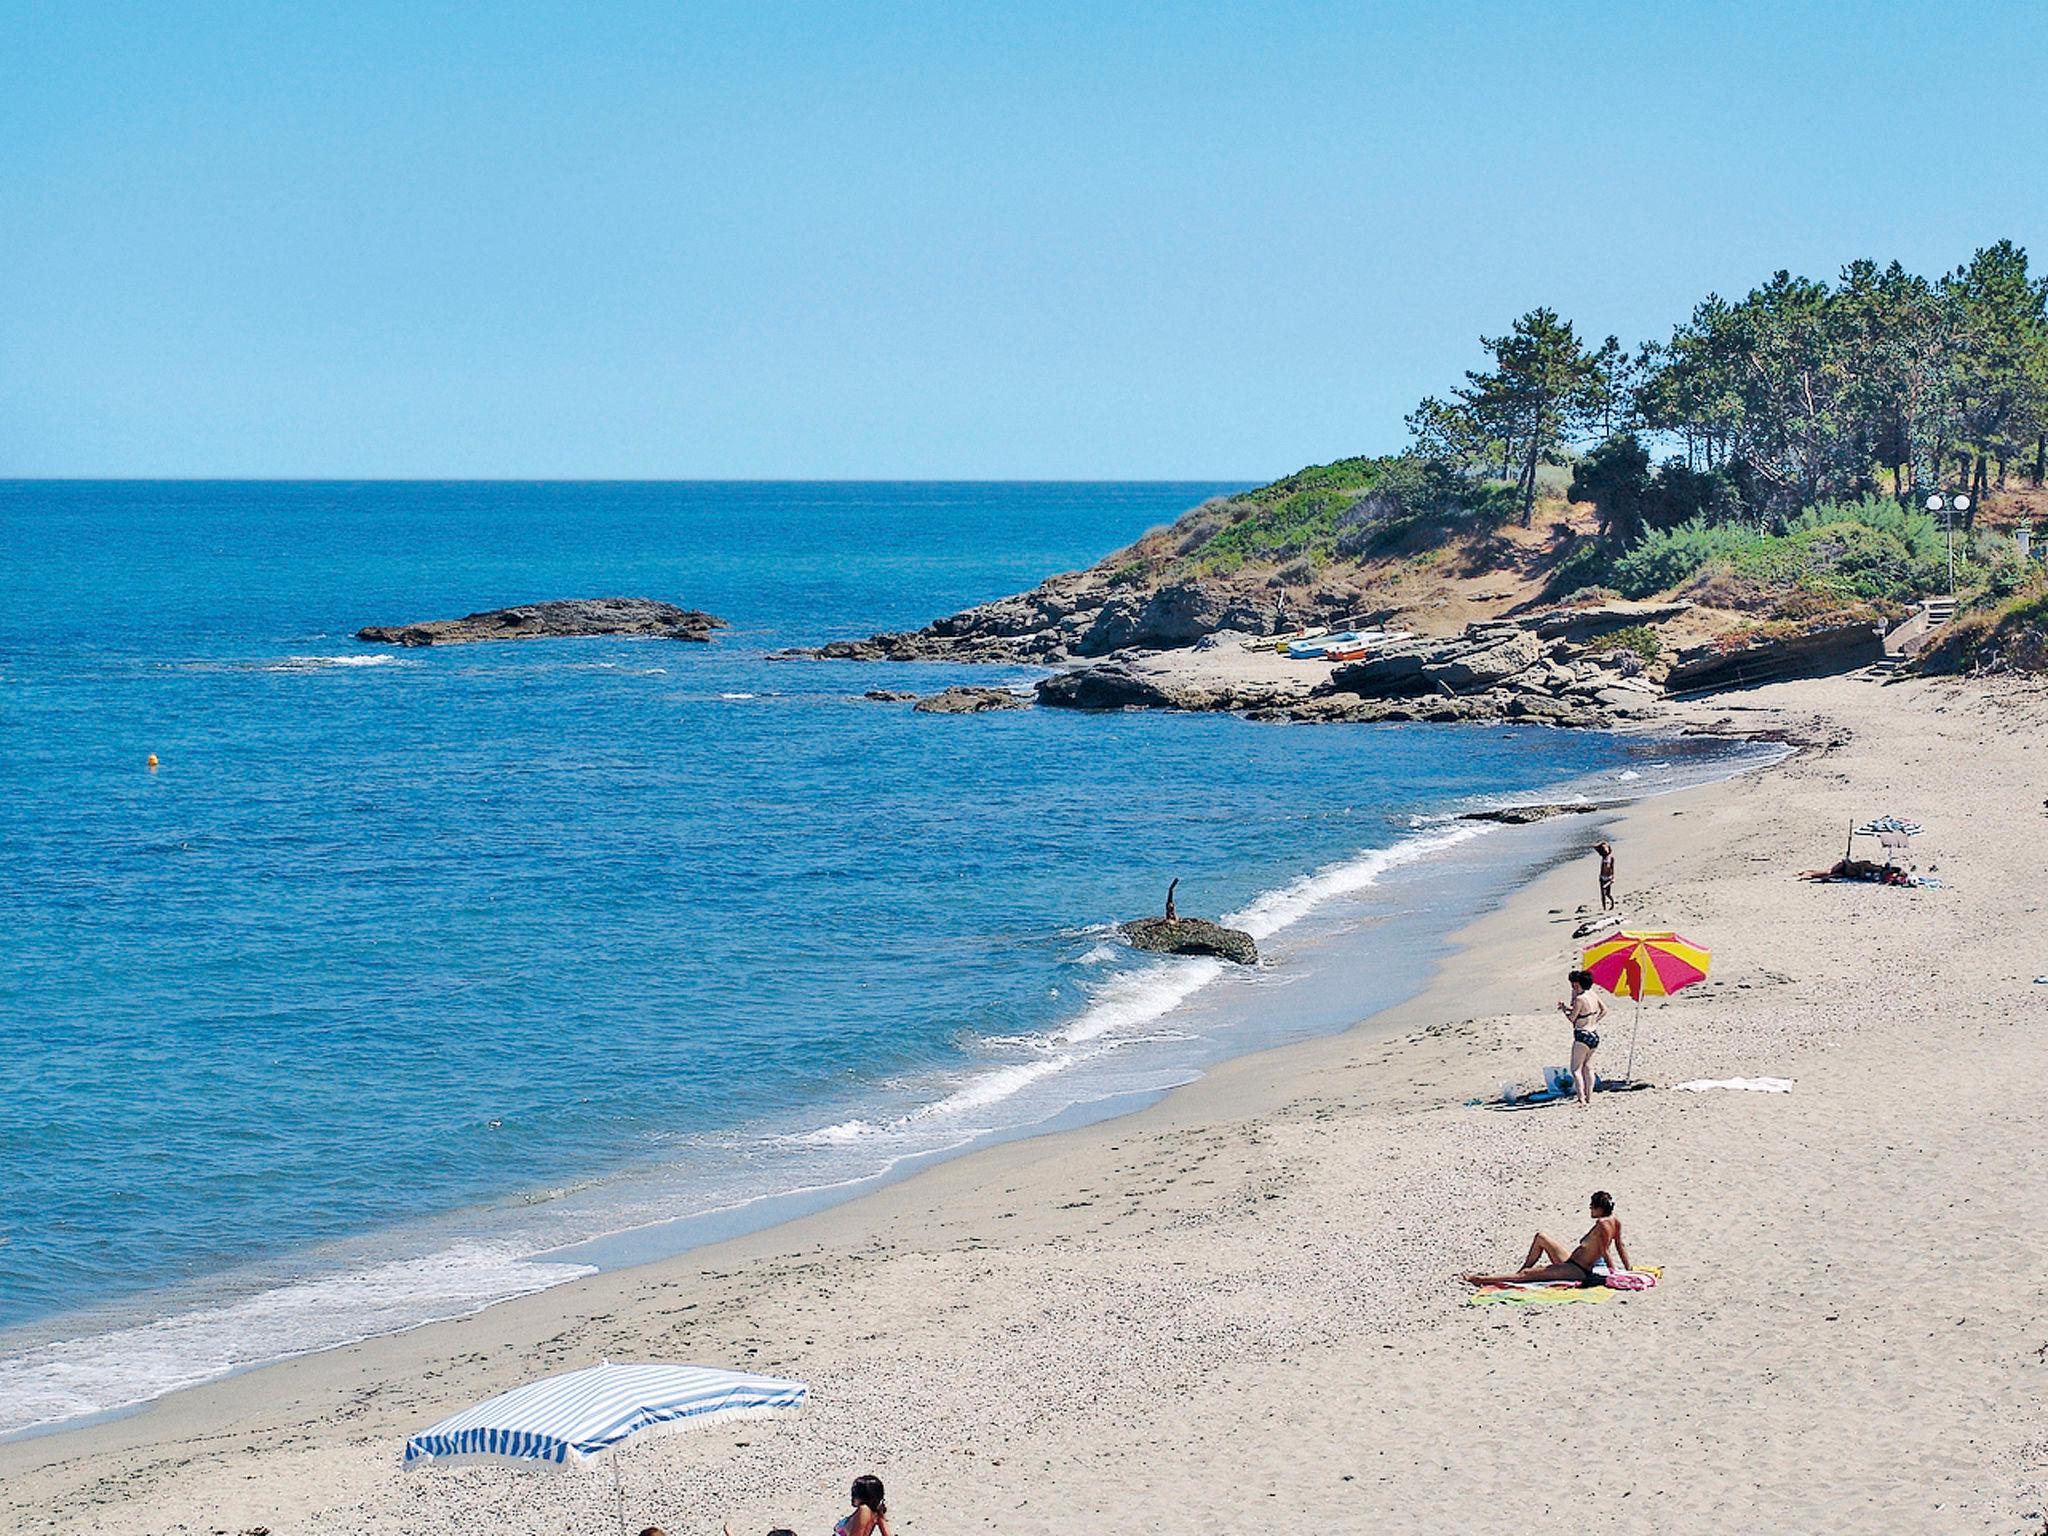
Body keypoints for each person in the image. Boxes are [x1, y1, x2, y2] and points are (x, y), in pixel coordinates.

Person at [1462, 1191, 1632, 1287]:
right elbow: (1620, 1245)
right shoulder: (1615, 1220)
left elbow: (1605, 1250)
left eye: (1591, 1206)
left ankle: (1480, 1279)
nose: (1589, 1209)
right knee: (1541, 1237)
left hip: (1578, 1270)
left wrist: (1614, 1273)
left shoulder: (1602, 1224)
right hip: (1571, 1261)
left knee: (1528, 1275)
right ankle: (1520, 1272)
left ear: (1599, 1208)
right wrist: (1629, 1268)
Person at [1556, 968, 1606, 1106]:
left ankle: (1581, 1099)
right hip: (1594, 1034)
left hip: (1582, 1034)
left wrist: (1564, 1011)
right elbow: (1604, 1010)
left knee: (1576, 1069)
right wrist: (1595, 1021)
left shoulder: (1579, 999)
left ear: (1577, 984)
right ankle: (1589, 1096)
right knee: (1589, 1067)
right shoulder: (1592, 994)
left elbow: (1573, 1018)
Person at [1595, 840, 1616, 910]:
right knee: (1602, 894)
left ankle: (1612, 902)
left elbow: (1612, 868)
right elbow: (1595, 847)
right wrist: (1603, 842)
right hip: (1602, 877)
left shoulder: (1611, 858)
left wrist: (1613, 877)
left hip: (1608, 878)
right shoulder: (1603, 858)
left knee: (1608, 893)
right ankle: (1604, 908)